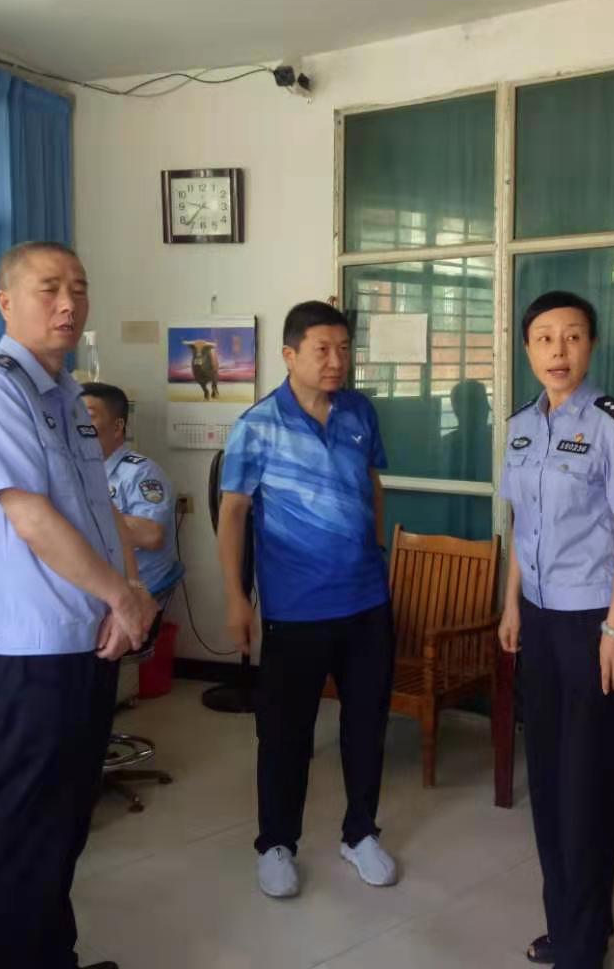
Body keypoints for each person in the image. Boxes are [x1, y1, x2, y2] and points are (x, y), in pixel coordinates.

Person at [0, 240, 157, 969]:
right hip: (31, 645)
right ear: (6, 302)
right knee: (20, 827)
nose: (69, 304)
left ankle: (48, 956)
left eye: (79, 288)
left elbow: (102, 510)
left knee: (63, 823)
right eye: (49, 288)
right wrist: (121, 598)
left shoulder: (68, 393)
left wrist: (132, 593)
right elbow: (30, 516)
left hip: (87, 634)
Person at [216, 299, 397, 899]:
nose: (336, 360)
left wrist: (375, 550)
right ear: (289, 355)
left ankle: (360, 833)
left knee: (366, 725)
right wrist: (236, 597)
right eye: (323, 349)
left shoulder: (360, 411)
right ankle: (276, 844)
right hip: (295, 610)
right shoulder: (257, 425)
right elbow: (233, 514)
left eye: (344, 348)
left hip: (366, 603)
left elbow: (371, 484)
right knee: (285, 734)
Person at [497, 290, 614, 969]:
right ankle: (570, 921)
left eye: (573, 336)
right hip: (537, 617)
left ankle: (582, 946)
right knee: (549, 780)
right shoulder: (519, 426)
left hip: (593, 622)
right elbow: (520, 528)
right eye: (544, 338)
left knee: (588, 785)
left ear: (591, 345)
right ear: (527, 348)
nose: (558, 351)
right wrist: (510, 605)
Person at [81, 382, 185, 601]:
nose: (78, 425)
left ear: (117, 427)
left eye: (87, 416)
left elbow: (151, 535)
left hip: (132, 590)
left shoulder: (141, 473)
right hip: (97, 581)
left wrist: (82, 514)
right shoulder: (79, 471)